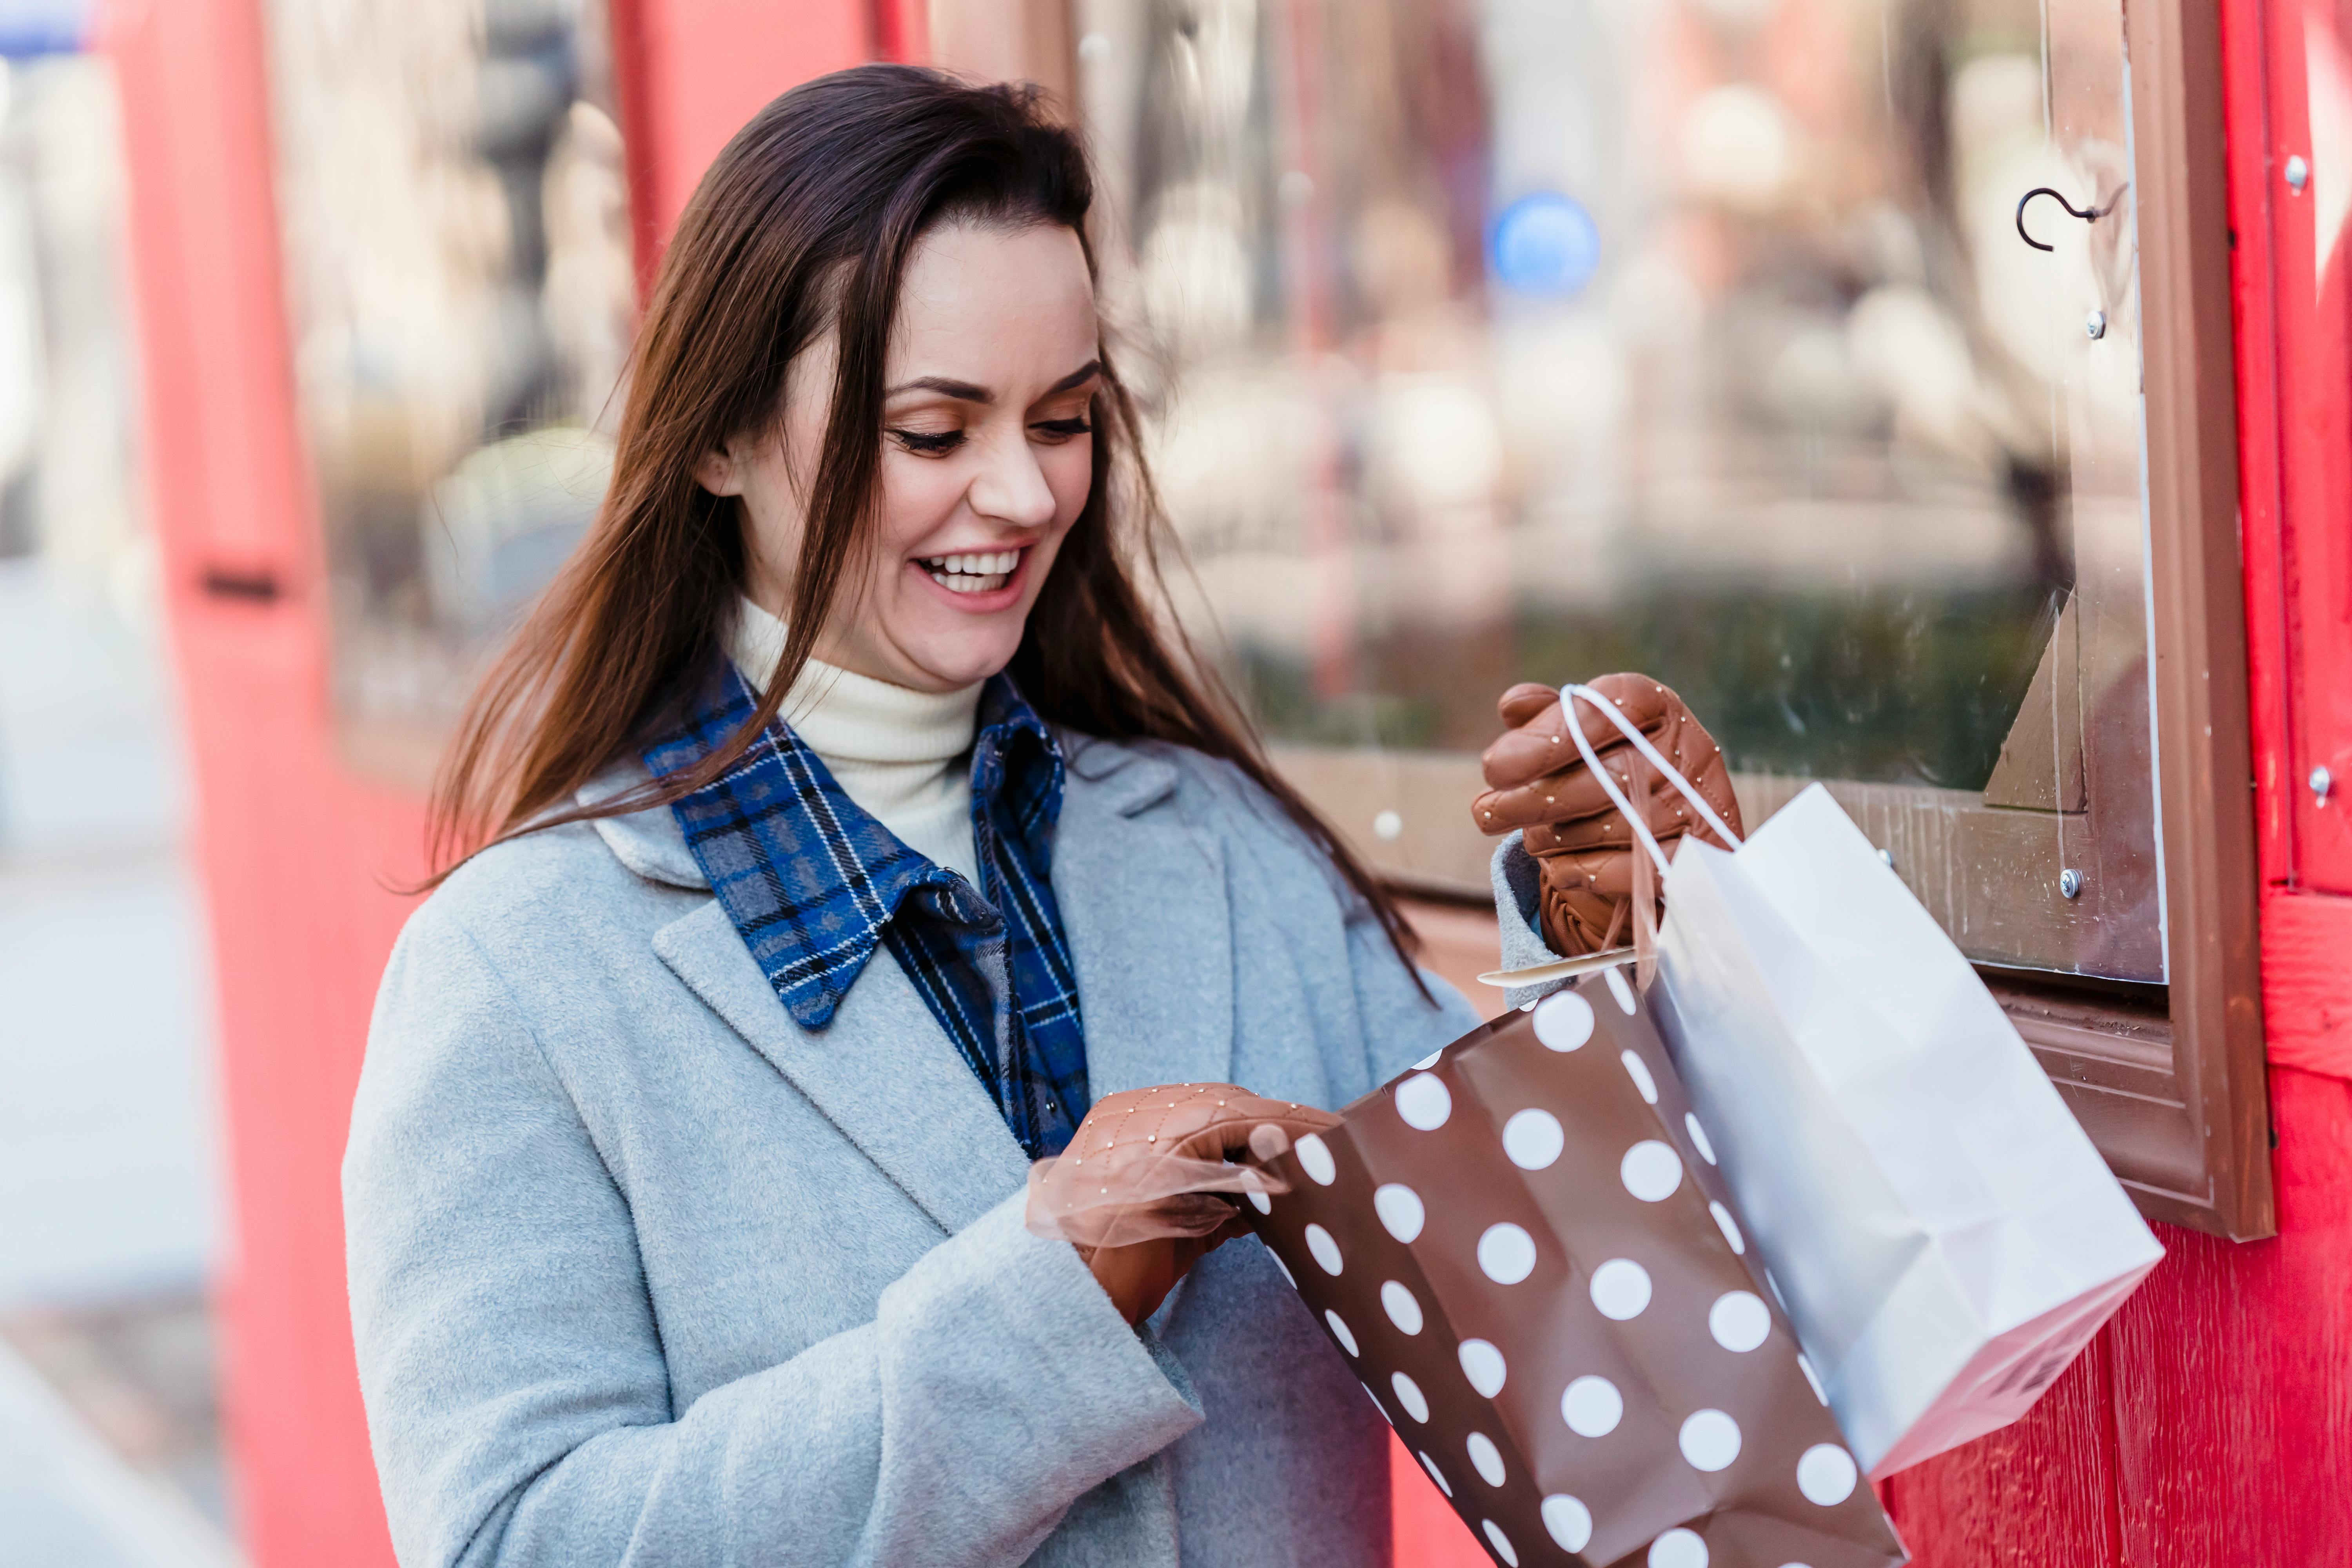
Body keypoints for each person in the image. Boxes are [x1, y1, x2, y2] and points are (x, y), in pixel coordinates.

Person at [344, 64, 1728, 1568]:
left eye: (1061, 419)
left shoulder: (1228, 852)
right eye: (933, 433)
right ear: (718, 439)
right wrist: (1047, 1295)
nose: (1018, 494)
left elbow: (1578, 1321)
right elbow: (512, 1543)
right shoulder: (519, 976)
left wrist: (1617, 940)